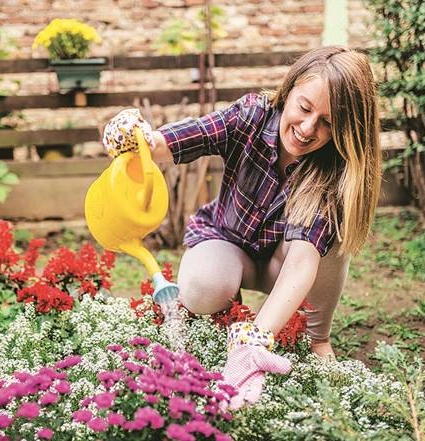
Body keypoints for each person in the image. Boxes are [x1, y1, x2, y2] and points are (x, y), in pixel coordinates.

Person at [102, 46, 382, 409]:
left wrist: (254, 343)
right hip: (228, 243)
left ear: (345, 129)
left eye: (328, 122)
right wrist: (138, 141)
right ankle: (225, 308)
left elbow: (300, 262)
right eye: (305, 107)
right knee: (202, 287)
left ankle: (318, 338)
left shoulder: (334, 170)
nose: (308, 128)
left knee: (331, 251)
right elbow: (189, 136)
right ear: (290, 89)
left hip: (283, 264)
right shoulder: (251, 115)